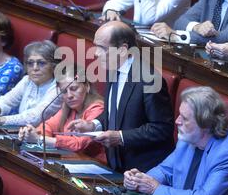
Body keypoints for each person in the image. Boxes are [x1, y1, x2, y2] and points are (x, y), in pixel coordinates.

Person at [124, 87, 228, 195]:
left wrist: (155, 189)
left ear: (204, 124)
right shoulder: (187, 140)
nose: (177, 121)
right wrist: (139, 180)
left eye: (184, 118)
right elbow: (165, 171)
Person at [68, 21, 175, 172]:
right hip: (117, 165)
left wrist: (121, 137)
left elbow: (162, 129)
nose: (96, 53)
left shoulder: (149, 79)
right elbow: (114, 113)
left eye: (102, 48)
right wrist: (93, 125)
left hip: (143, 171)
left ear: (123, 50)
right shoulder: (113, 70)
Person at [18, 64, 105, 163]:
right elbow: (48, 126)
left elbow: (79, 144)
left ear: (87, 86)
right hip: (71, 162)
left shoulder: (98, 108)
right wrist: (31, 133)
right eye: (64, 91)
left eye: (74, 89)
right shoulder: (69, 107)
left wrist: (40, 139)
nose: (69, 96)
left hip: (96, 167)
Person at [0, 40, 62, 126]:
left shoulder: (58, 88)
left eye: (41, 63)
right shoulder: (27, 80)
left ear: (54, 66)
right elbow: (6, 101)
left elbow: (35, 117)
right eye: (30, 63)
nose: (35, 68)